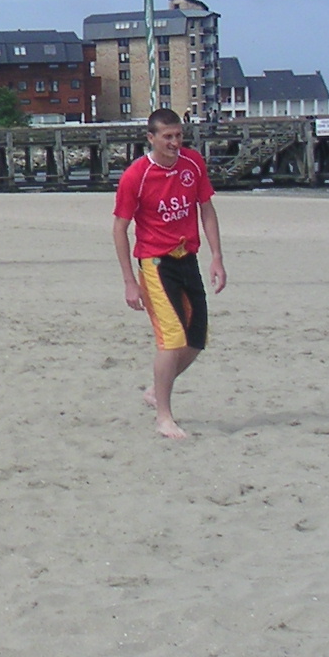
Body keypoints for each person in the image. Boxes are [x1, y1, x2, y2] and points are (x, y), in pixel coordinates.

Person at [112, 108, 226, 441]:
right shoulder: (137, 175)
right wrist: (129, 282)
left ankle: (155, 390)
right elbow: (120, 228)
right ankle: (164, 416)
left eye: (178, 136)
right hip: (155, 264)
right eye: (168, 137)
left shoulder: (192, 163)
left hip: (186, 258)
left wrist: (217, 256)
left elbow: (206, 208)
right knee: (171, 337)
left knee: (196, 338)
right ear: (151, 138)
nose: (175, 143)